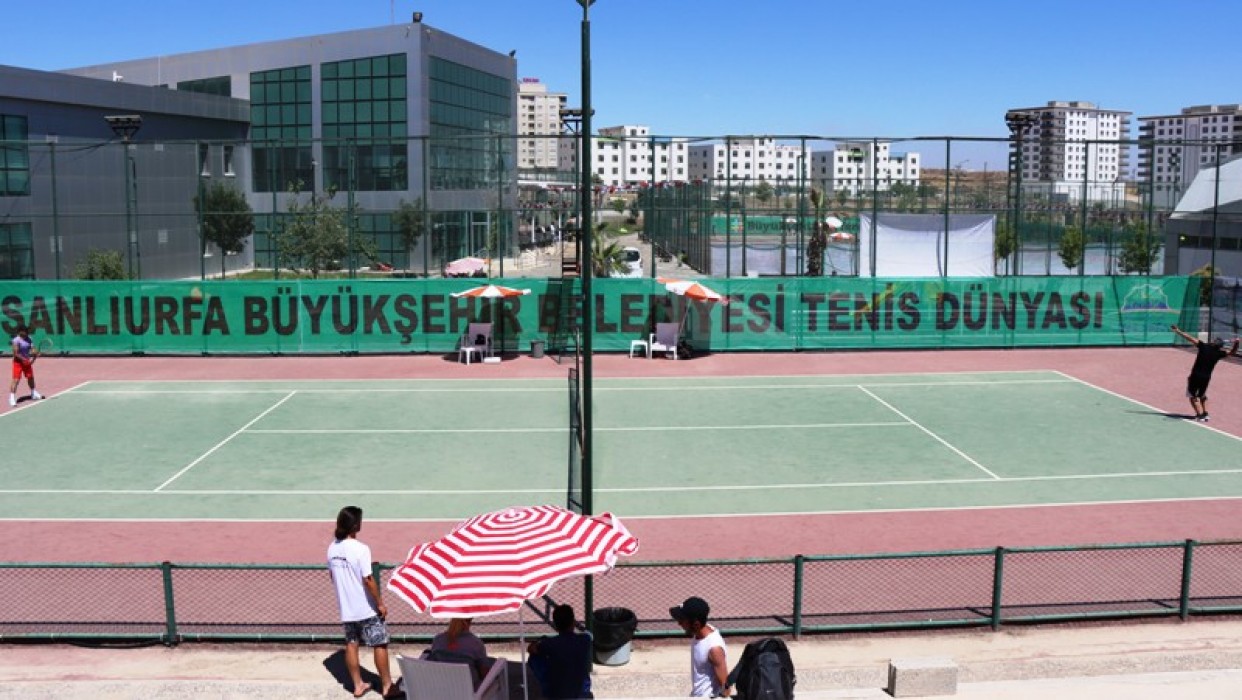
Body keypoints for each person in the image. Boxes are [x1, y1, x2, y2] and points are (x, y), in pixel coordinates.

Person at [327, 506, 398, 699]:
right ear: (356, 525)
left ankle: (358, 685)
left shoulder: (332, 548)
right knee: (380, 644)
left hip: (347, 608)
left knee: (351, 643)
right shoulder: (361, 549)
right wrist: (380, 603)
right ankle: (387, 686)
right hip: (365, 608)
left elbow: (333, 576)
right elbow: (367, 579)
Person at [1171, 325, 1239, 422]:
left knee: (1192, 396)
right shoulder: (1219, 353)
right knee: (1202, 395)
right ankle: (1206, 414)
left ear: (1213, 343)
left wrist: (1178, 331)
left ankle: (1200, 415)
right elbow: (1232, 352)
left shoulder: (1203, 346)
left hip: (1195, 376)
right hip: (1206, 378)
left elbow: (1190, 338)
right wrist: (1237, 343)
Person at [527, 604, 593, 699]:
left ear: (556, 625)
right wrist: (578, 625)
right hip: (580, 694)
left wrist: (539, 641)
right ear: (573, 622)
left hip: (556, 695)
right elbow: (589, 635)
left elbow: (530, 649)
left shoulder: (549, 644)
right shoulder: (583, 641)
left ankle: (547, 685)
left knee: (535, 657)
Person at [670, 596, 729, 698]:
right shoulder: (699, 632)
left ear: (696, 624)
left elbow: (726, 688)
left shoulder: (714, 649)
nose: (679, 623)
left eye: (682, 620)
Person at [9, 325, 43, 407]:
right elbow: (15, 353)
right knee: (16, 380)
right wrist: (24, 360)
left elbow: (32, 349)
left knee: (30, 378)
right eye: (25, 331)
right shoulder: (16, 340)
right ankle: (12, 397)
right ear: (20, 332)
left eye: (27, 331)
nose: (27, 333)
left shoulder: (29, 339)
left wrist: (36, 353)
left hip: (26, 361)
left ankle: (33, 393)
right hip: (18, 363)